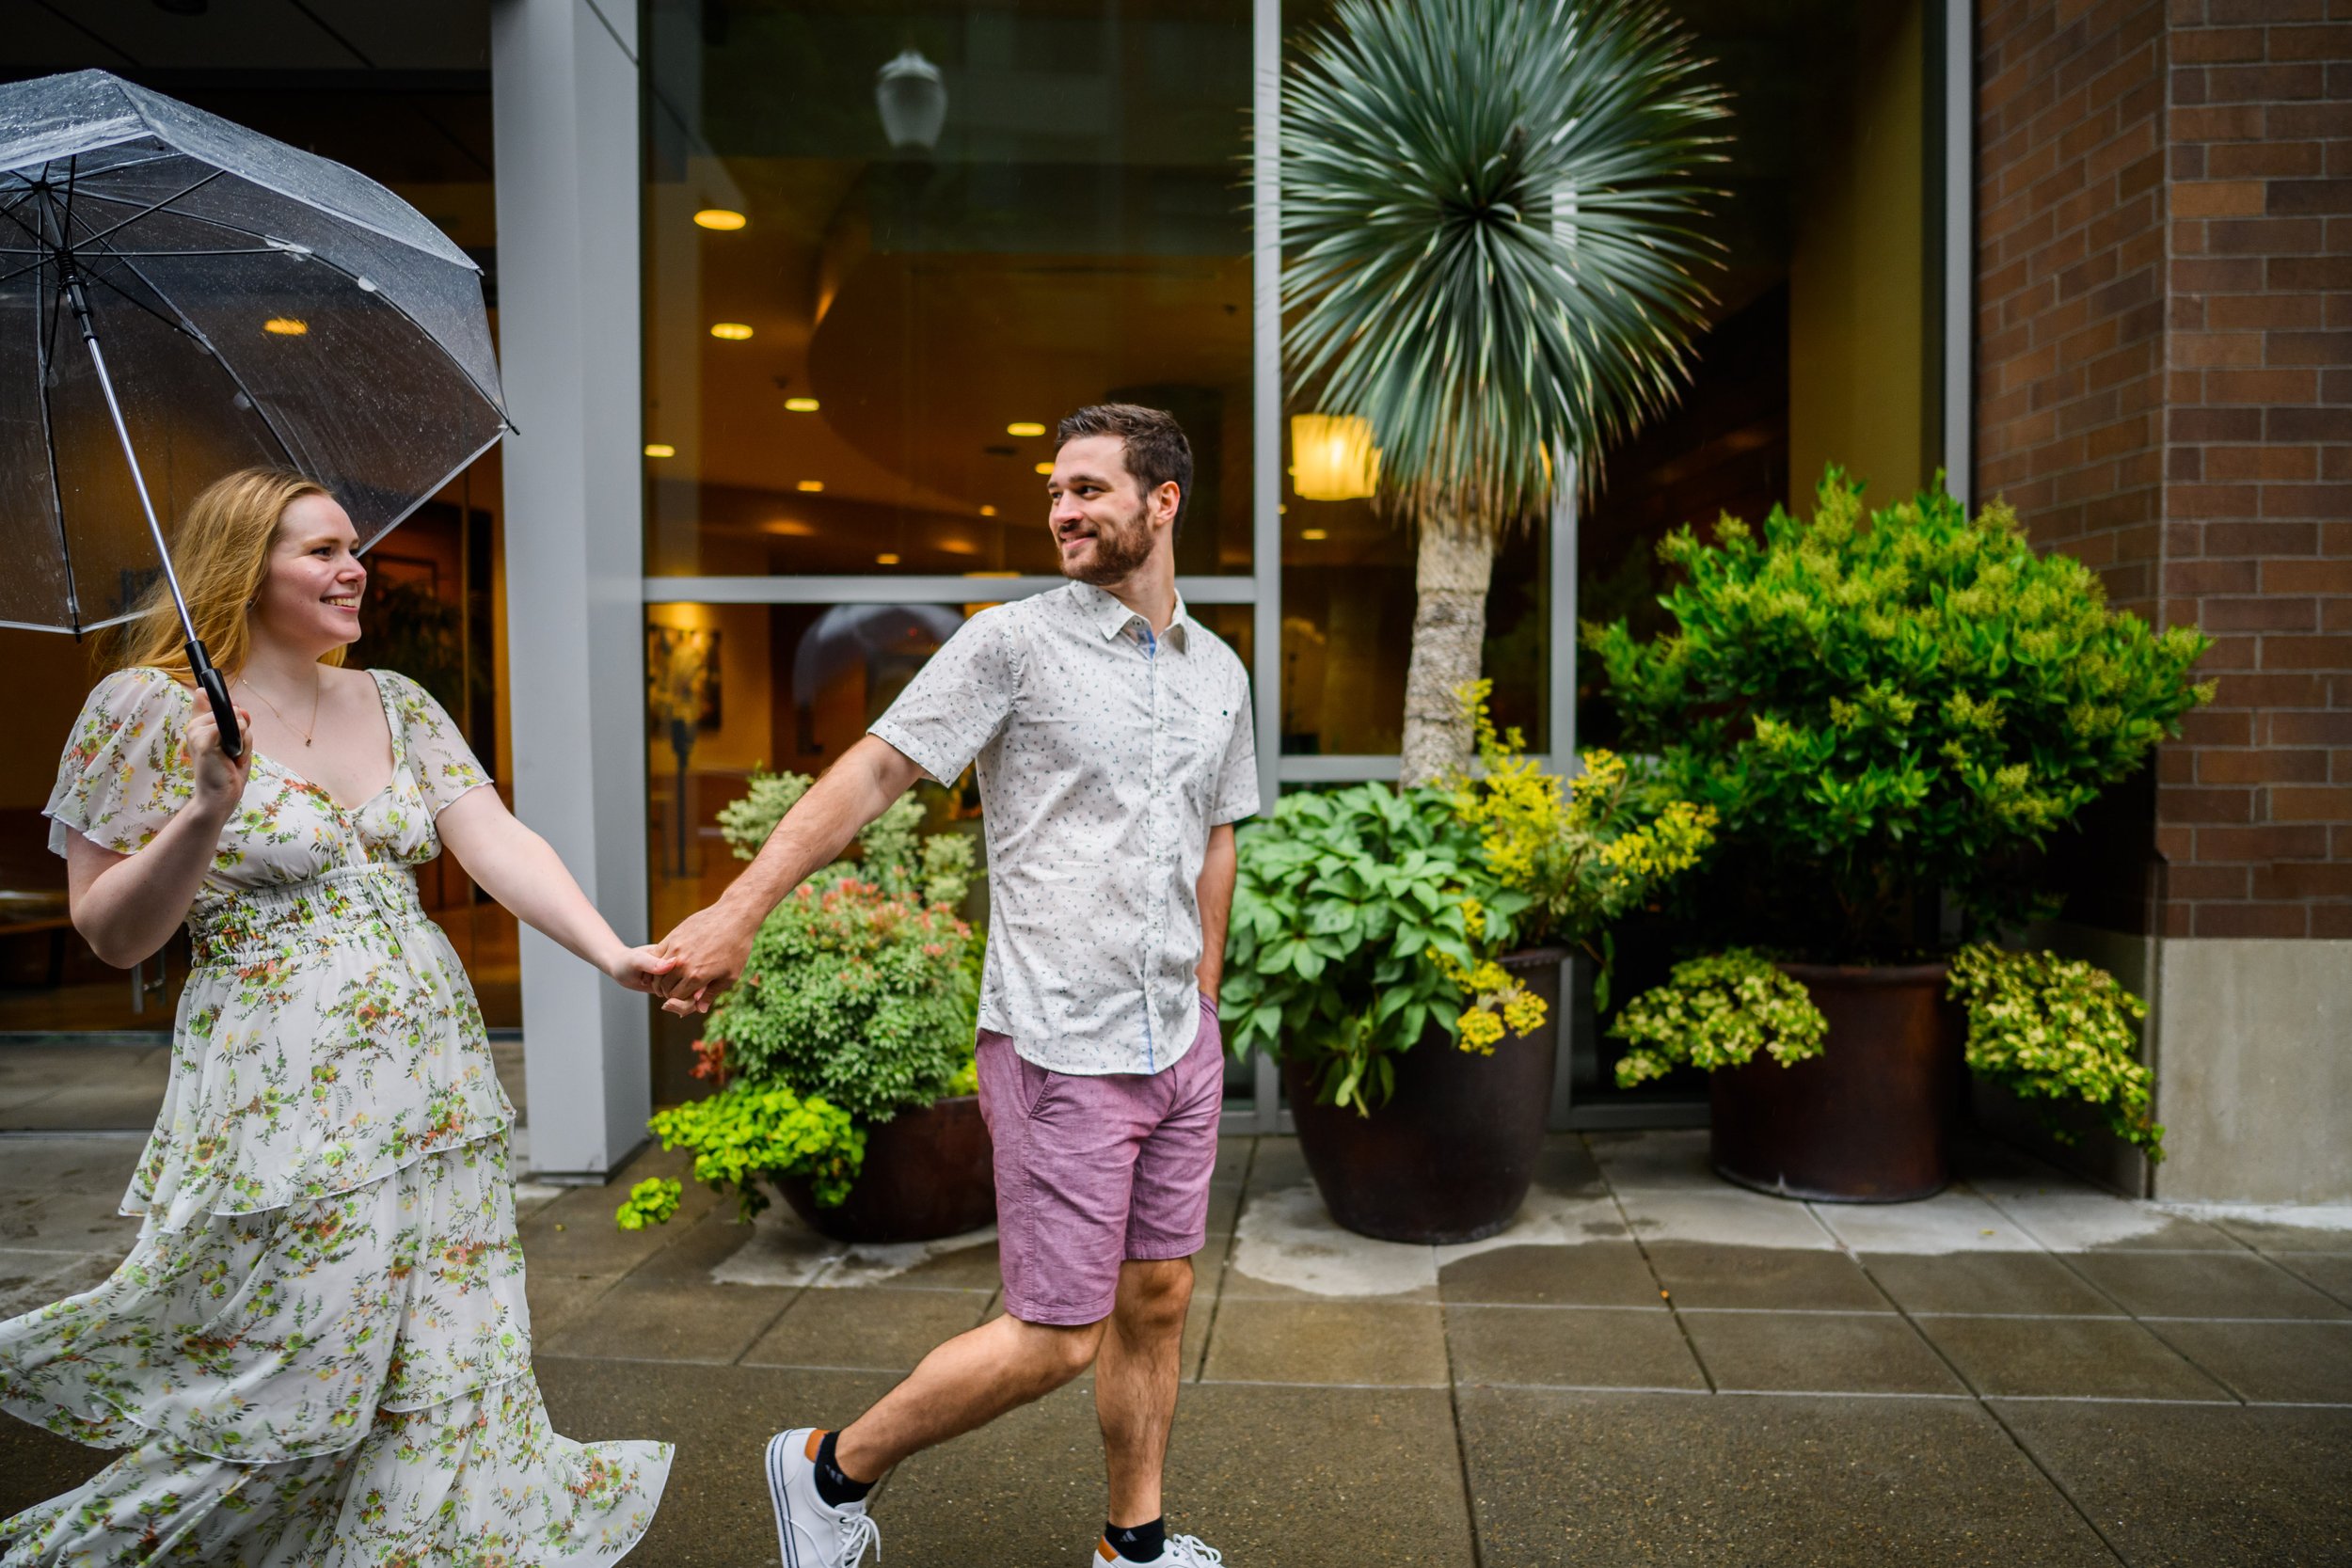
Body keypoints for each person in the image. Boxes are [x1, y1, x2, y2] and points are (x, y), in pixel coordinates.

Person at [0, 467, 675, 1564]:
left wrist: (611, 950)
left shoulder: (396, 700)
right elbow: (111, 932)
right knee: (299, 1362)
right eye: (320, 549)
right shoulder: (147, 707)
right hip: (280, 1100)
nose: (353, 565)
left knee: (445, 1356)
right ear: (241, 567)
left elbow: (495, 840)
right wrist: (207, 809)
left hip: (436, 1088)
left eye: (351, 544)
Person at [656, 404, 1257, 1568]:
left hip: (1176, 1040)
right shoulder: (1010, 643)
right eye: (1055, 489)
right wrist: (739, 909)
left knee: (1160, 1293)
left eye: (1088, 488)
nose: (1063, 510)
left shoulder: (1217, 668)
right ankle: (829, 1468)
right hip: (1058, 1043)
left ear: (1163, 499)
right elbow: (875, 768)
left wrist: (1208, 995)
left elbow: (1215, 834)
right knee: (1055, 1336)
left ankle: (1132, 1544)